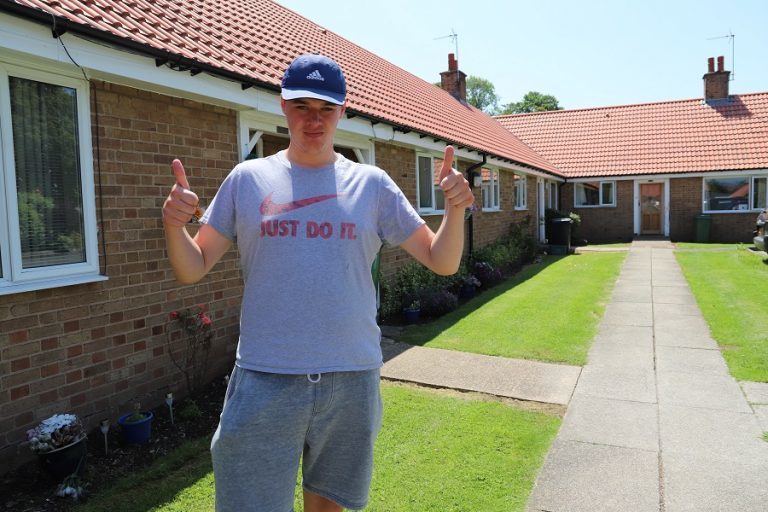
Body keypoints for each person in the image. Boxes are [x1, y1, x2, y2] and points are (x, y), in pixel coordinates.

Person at [162, 53, 473, 512]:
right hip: (267, 376)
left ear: (342, 111)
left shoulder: (372, 184)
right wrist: (174, 226)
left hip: (351, 378)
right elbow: (194, 266)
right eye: (302, 106)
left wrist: (455, 209)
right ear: (283, 107)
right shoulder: (248, 179)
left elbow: (440, 260)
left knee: (329, 507)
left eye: (326, 108)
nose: (314, 120)